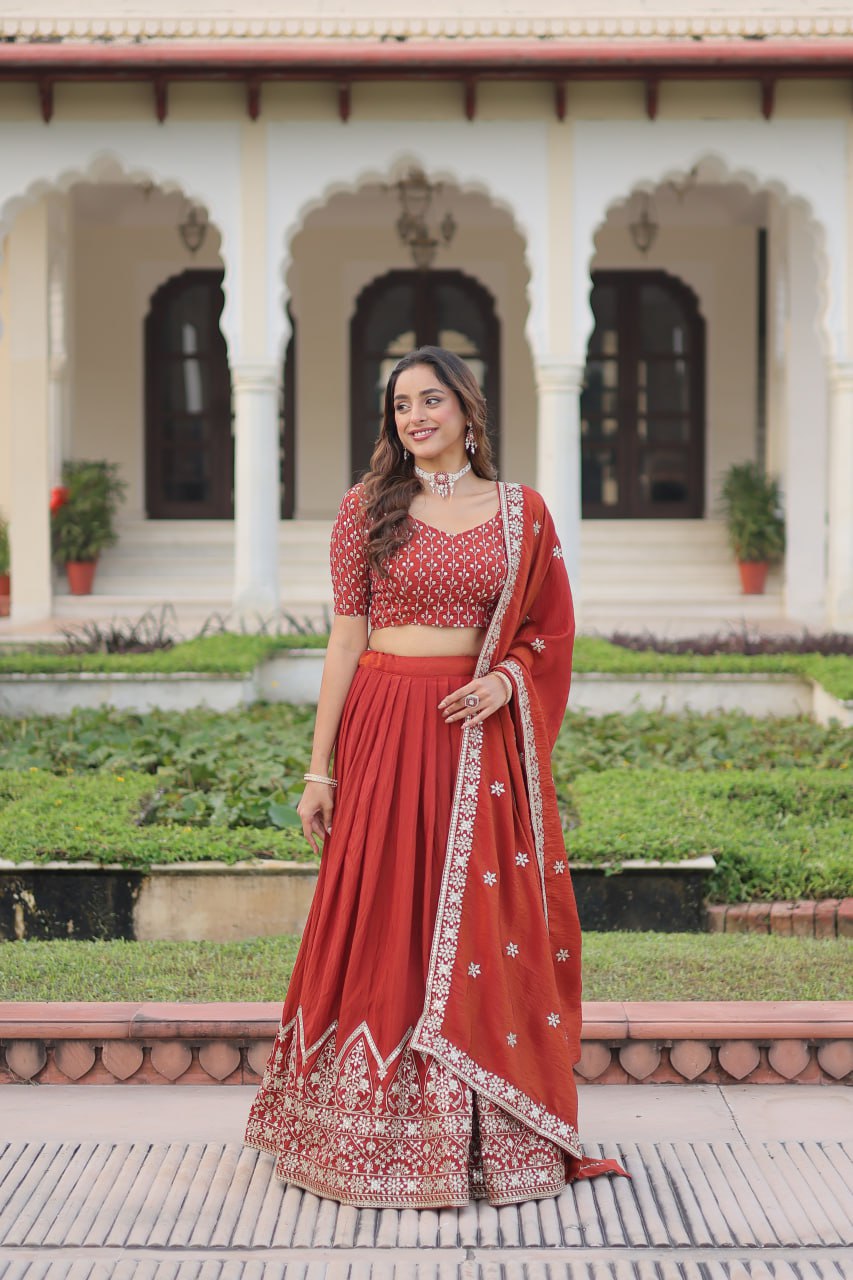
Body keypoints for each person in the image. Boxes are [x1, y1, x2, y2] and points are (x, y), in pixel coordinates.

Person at [244, 345, 626, 1208]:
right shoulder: (366, 508)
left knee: (477, 923)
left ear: (466, 408)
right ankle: (357, 1129)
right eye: (400, 406)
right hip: (383, 725)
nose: (414, 417)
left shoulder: (521, 514)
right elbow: (344, 640)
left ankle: (483, 1130)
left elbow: (549, 634)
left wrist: (504, 679)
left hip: (472, 738)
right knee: (378, 910)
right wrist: (319, 770)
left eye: (430, 400)